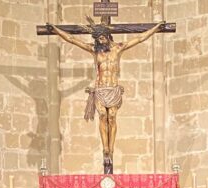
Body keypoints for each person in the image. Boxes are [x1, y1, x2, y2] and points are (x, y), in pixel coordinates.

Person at [46, 19, 166, 173]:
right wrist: (55, 29)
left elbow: (141, 38)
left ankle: (112, 149)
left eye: (101, 38)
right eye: (97, 39)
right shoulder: (95, 51)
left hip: (114, 89)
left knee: (112, 118)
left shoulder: (118, 48)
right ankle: (106, 149)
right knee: (103, 115)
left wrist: (156, 28)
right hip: (101, 89)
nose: (99, 41)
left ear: (107, 35)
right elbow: (72, 39)